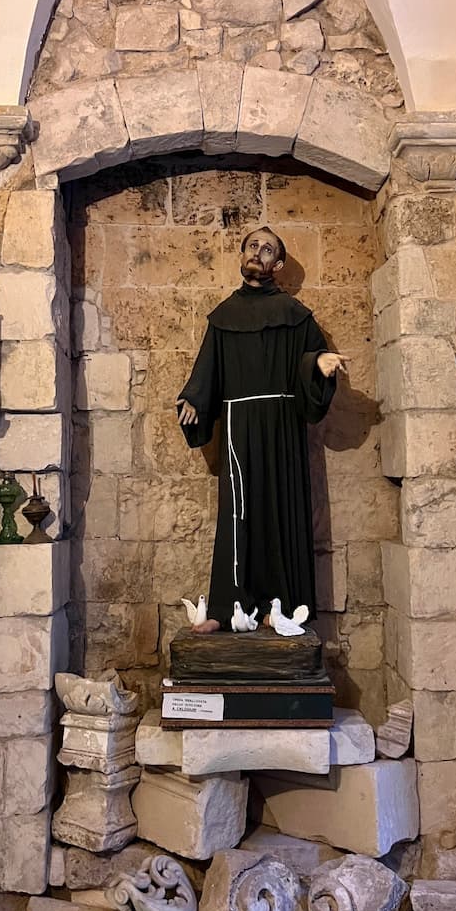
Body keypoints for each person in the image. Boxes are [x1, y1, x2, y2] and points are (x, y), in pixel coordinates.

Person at [177, 227, 347, 633]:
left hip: (282, 427)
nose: (258, 252)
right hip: (238, 428)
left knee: (281, 512)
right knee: (237, 516)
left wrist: (318, 364)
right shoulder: (223, 317)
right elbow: (208, 369)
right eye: (253, 245)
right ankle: (226, 608)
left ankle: (279, 606)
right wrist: (194, 399)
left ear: (278, 264)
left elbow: (311, 357)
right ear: (242, 254)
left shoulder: (296, 315)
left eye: (267, 249)